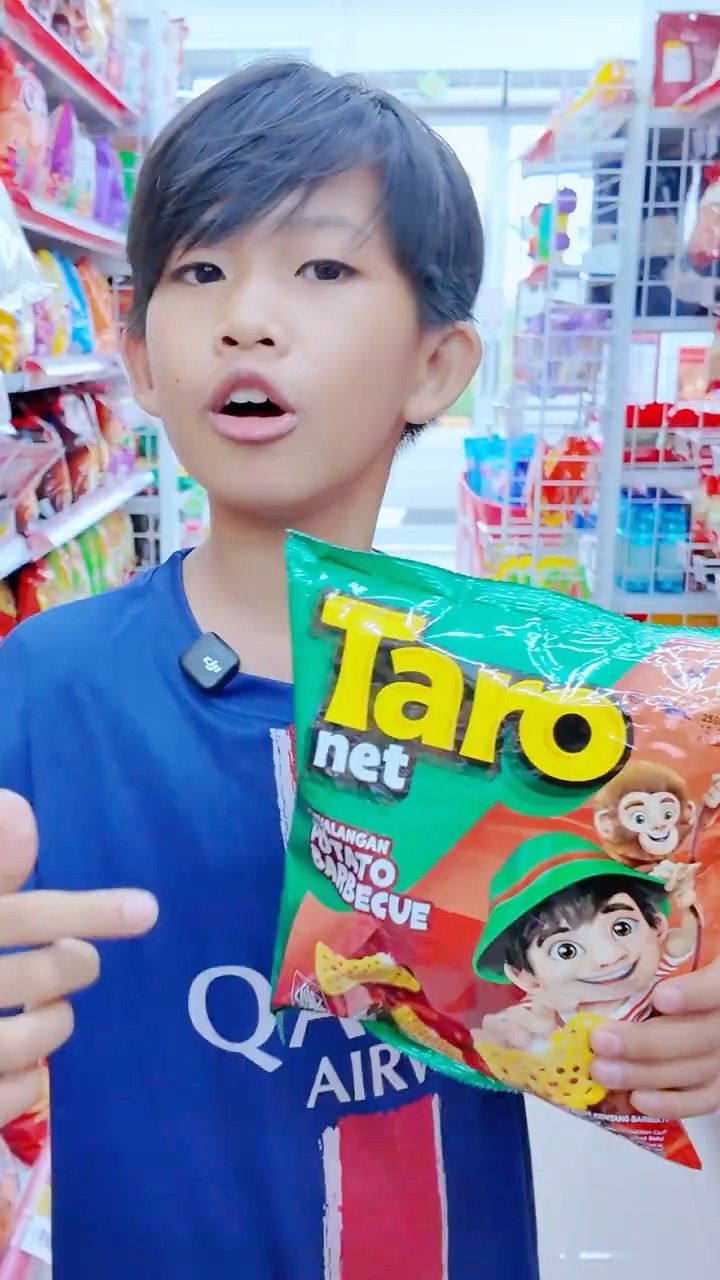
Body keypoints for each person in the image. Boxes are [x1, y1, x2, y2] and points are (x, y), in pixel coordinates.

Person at [0, 59, 718, 1278]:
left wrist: (679, 1015)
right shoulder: (40, 685)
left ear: (436, 364)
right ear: (139, 356)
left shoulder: (560, 706)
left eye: (323, 269)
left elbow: (638, 936)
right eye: (201, 271)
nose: (247, 317)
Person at [473, 835, 699, 1052]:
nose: (609, 956)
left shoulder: (651, 972)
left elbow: (686, 939)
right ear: (524, 976)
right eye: (566, 951)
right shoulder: (544, 1006)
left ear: (657, 926)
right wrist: (527, 1033)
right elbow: (512, 1032)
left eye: (622, 928)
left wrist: (687, 901)